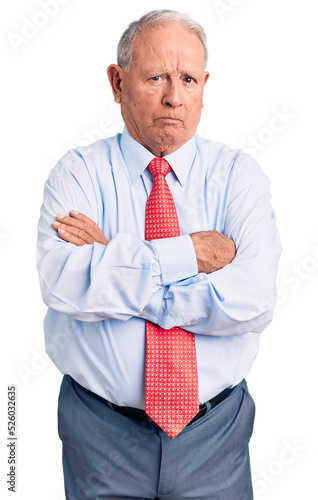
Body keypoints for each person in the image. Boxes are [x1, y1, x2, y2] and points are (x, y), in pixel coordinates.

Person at [37, 9, 281, 500]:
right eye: (156, 78)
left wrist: (115, 261)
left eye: (188, 79)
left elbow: (252, 301)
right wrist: (189, 254)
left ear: (204, 86)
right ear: (117, 81)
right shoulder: (77, 173)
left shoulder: (239, 176)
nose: (174, 96)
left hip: (216, 435)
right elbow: (64, 284)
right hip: (100, 435)